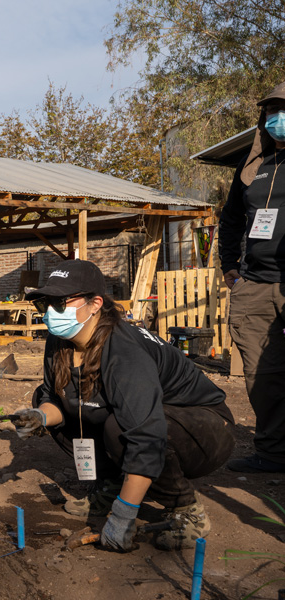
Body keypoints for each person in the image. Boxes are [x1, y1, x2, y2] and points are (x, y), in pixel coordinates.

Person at [14, 259, 234, 551]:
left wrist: (123, 516)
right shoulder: (59, 341)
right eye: (45, 304)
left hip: (205, 429)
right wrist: (41, 416)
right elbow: (57, 397)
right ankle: (112, 484)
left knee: (120, 428)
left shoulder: (124, 351)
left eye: (60, 302)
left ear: (95, 304)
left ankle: (185, 509)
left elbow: (147, 436)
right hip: (152, 421)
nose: (51, 313)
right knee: (55, 402)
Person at [219, 81, 285, 473]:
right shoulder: (252, 165)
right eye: (272, 110)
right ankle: (273, 452)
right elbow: (230, 219)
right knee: (263, 373)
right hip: (256, 284)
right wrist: (230, 265)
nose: (278, 117)